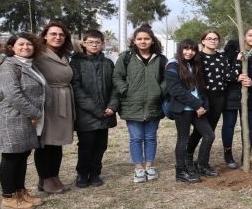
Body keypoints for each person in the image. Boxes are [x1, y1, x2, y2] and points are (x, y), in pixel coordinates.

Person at [0, 32, 46, 209]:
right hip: (11, 117)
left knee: (22, 155)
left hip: (25, 117)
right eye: (21, 44)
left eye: (29, 44)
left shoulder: (30, 65)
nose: (25, 47)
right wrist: (35, 113)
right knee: (11, 156)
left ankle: (20, 191)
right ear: (11, 48)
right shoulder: (9, 66)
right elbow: (13, 94)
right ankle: (8, 196)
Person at [112, 25, 167, 183]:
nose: (143, 41)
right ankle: (138, 167)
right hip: (131, 104)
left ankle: (149, 165)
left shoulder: (160, 59)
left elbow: (167, 79)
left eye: (146, 39)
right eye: (140, 39)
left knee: (150, 137)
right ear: (134, 41)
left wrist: (159, 91)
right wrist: (126, 90)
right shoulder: (126, 57)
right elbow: (117, 77)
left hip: (153, 104)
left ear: (152, 41)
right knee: (135, 138)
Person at [71, 30, 120, 188]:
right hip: (86, 114)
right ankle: (82, 173)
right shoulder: (76, 63)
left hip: (106, 113)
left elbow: (115, 87)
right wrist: (96, 110)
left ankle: (95, 173)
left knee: (101, 145)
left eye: (97, 42)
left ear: (102, 44)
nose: (94, 45)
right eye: (90, 42)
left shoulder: (108, 63)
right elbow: (77, 89)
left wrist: (112, 106)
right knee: (86, 144)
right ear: (83, 43)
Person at [166, 39, 217, 183]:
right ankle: (180, 172)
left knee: (209, 135)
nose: (189, 52)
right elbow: (176, 90)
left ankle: (201, 164)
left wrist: (203, 105)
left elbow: (201, 88)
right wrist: (196, 105)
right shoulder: (172, 65)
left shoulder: (194, 64)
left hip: (197, 108)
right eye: (186, 49)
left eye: (192, 49)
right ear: (180, 49)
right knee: (183, 140)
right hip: (183, 109)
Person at [33, 21, 75, 194]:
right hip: (47, 101)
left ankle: (54, 177)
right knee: (45, 143)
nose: (57, 37)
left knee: (57, 143)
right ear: (44, 36)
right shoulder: (37, 53)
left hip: (63, 99)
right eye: (53, 34)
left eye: (61, 35)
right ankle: (45, 178)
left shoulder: (64, 54)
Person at [188, 30, 239, 169]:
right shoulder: (197, 58)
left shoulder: (222, 57)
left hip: (219, 98)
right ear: (203, 41)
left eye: (216, 38)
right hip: (203, 98)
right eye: (209, 38)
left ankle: (203, 162)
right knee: (200, 131)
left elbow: (228, 76)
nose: (213, 41)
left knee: (210, 131)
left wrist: (238, 63)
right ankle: (187, 156)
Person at [222, 27, 252, 162]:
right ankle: (228, 154)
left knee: (248, 126)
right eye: (250, 35)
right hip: (232, 93)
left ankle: (245, 157)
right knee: (229, 124)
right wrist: (237, 75)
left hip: (250, 95)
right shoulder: (232, 49)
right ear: (244, 36)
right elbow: (224, 71)